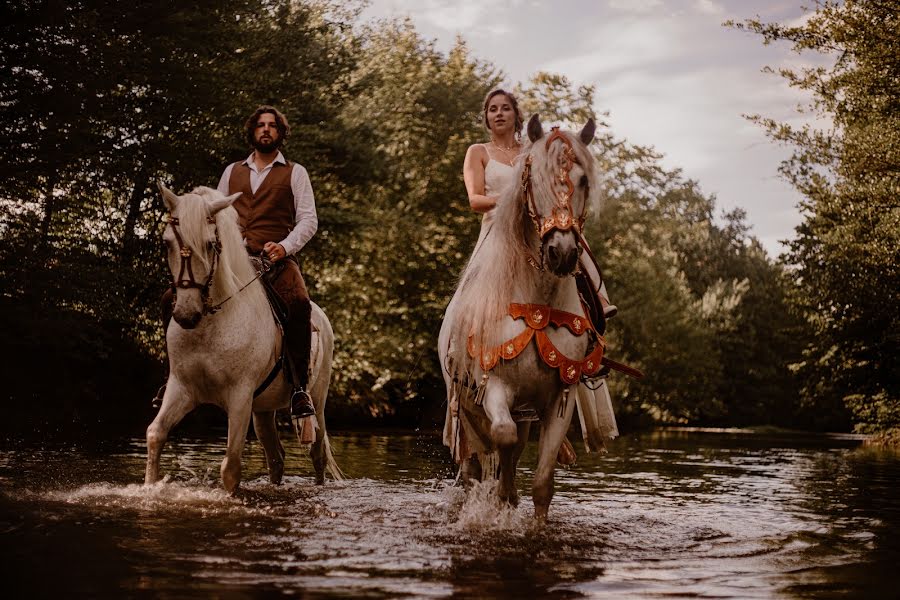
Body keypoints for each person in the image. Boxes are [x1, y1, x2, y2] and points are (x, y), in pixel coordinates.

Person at [155, 105, 318, 420]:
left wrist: (284, 247)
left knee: (299, 303)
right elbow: (216, 214)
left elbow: (308, 220)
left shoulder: (295, 172)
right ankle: (171, 377)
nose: (266, 130)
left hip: (276, 260)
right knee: (168, 299)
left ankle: (299, 389)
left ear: (280, 133)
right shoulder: (232, 171)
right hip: (234, 260)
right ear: (253, 132)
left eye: (272, 125)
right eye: (261, 125)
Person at [462, 89, 617, 321]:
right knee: (472, 279)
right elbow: (475, 200)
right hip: (498, 226)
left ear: (516, 115)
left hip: (536, 221)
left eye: (506, 108)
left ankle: (598, 298)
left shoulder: (535, 149)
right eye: (492, 109)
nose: (499, 113)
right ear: (486, 118)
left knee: (569, 232)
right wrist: (515, 199)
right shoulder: (478, 151)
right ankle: (462, 324)